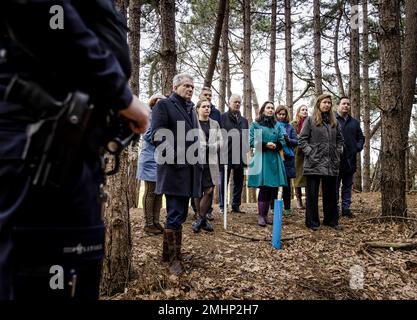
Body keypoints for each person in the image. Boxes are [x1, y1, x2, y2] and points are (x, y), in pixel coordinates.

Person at [0, 1, 149, 300]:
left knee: (71, 275)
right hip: (36, 153)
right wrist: (123, 98)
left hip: (72, 157)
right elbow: (48, 13)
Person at [151, 73, 201, 275]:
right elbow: (157, 136)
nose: (190, 89)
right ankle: (174, 260)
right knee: (174, 214)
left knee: (179, 215)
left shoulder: (191, 109)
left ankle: (167, 254)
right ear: (175, 87)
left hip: (190, 172)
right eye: (186, 86)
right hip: (173, 171)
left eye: (192, 86)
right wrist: (176, 159)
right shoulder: (164, 106)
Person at [298, 93, 344, 231]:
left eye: (329, 103)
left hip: (331, 163)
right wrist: (311, 153)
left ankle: (331, 220)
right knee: (312, 194)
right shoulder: (310, 120)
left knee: (331, 193)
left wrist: (338, 151)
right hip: (314, 163)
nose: (327, 105)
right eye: (324, 102)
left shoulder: (334, 122)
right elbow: (302, 140)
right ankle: (312, 222)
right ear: (319, 104)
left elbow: (340, 140)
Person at [248, 101, 287, 227]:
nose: (270, 110)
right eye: (268, 108)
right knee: (264, 187)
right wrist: (266, 144)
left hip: (274, 158)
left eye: (272, 108)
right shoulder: (256, 125)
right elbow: (252, 141)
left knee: (272, 188)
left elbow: (282, 139)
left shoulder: (277, 125)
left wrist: (277, 145)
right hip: (262, 157)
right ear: (263, 109)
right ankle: (261, 215)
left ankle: (267, 215)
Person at [190, 86, 222, 220]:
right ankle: (199, 216)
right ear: (197, 109)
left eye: (208, 107)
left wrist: (213, 146)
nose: (207, 109)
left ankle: (201, 217)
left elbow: (221, 140)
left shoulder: (215, 124)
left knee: (209, 190)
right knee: (197, 190)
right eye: (204, 107)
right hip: (196, 161)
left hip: (211, 161)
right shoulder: (192, 123)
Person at [137, 94, 166, 235]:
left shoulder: (164, 118)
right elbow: (148, 136)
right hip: (149, 159)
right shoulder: (148, 116)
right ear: (153, 103)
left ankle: (156, 221)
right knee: (150, 191)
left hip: (161, 159)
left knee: (159, 192)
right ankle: (148, 224)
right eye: (158, 102)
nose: (160, 104)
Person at [218, 94, 249, 214]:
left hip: (240, 155)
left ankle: (236, 205)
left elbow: (246, 138)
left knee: (239, 182)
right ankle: (222, 206)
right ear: (229, 103)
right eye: (235, 102)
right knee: (223, 181)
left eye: (239, 102)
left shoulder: (244, 121)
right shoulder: (222, 118)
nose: (237, 104)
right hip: (225, 154)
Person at [336, 97, 365, 218]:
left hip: (350, 160)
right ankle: (335, 209)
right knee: (335, 187)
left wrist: (357, 147)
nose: (346, 106)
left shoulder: (354, 122)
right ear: (338, 105)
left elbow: (361, 138)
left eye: (348, 104)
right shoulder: (333, 120)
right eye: (343, 104)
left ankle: (346, 209)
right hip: (336, 160)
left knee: (347, 186)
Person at [276, 105, 298, 216]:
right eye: (279, 114)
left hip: (288, 158)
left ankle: (287, 207)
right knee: (274, 184)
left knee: (287, 185)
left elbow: (296, 141)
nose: (281, 116)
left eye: (283, 114)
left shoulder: (290, 127)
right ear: (276, 115)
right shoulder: (273, 126)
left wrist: (288, 139)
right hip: (276, 157)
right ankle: (274, 207)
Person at [291, 105, 309, 209]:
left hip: (307, 153)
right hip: (297, 153)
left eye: (306, 110)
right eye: (303, 109)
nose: (305, 111)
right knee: (297, 177)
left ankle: (308, 200)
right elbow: (291, 136)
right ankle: (298, 200)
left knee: (307, 177)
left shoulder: (311, 122)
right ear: (298, 111)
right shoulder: (294, 124)